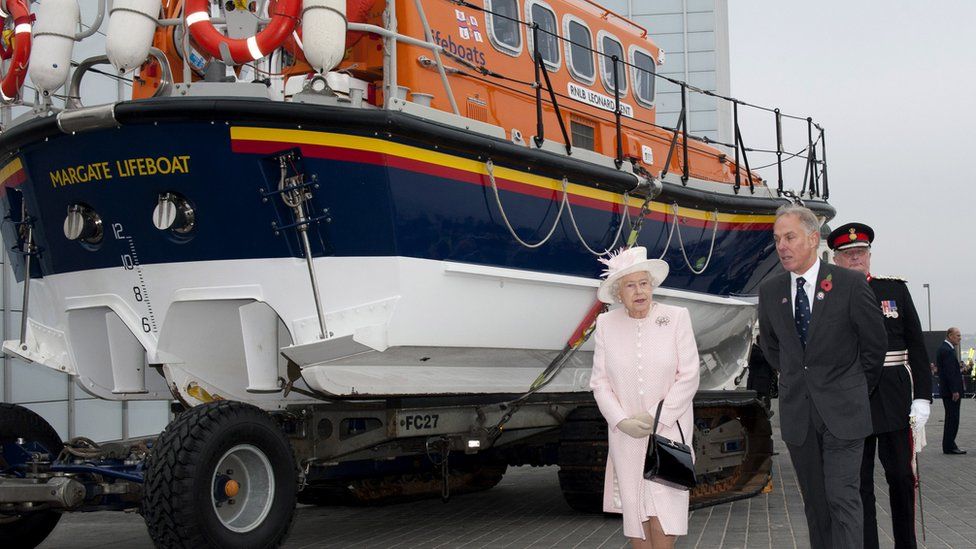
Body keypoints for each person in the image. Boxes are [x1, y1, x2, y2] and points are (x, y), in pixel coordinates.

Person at [758, 205, 886, 549]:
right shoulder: (770, 292)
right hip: (800, 416)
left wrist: (855, 386)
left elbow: (874, 345)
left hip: (844, 413)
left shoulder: (849, 283)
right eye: (777, 239)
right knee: (815, 504)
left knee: (842, 499)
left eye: (789, 237)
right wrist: (794, 376)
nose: (782, 246)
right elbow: (771, 347)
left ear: (813, 239)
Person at [828, 222, 932, 549]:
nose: (856, 258)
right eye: (848, 254)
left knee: (902, 477)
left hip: (893, 395)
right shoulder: (828, 295)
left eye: (860, 253)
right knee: (860, 485)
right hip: (853, 396)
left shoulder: (894, 290)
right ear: (836, 259)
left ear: (870, 256)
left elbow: (916, 345)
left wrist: (924, 398)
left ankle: (906, 544)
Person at [589, 247, 700, 549]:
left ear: (652, 285)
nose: (639, 291)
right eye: (630, 285)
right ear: (618, 292)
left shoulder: (676, 317)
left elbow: (689, 375)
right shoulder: (606, 325)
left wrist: (656, 417)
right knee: (637, 516)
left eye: (643, 283)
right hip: (626, 437)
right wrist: (621, 421)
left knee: (665, 511)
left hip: (667, 432)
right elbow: (599, 383)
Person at [937, 327, 966, 454]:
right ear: (950, 335)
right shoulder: (947, 351)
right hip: (951, 392)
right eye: (958, 335)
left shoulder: (945, 349)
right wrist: (954, 390)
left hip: (947, 391)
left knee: (951, 418)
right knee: (952, 419)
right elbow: (950, 373)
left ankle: (949, 444)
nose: (960, 338)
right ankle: (949, 446)